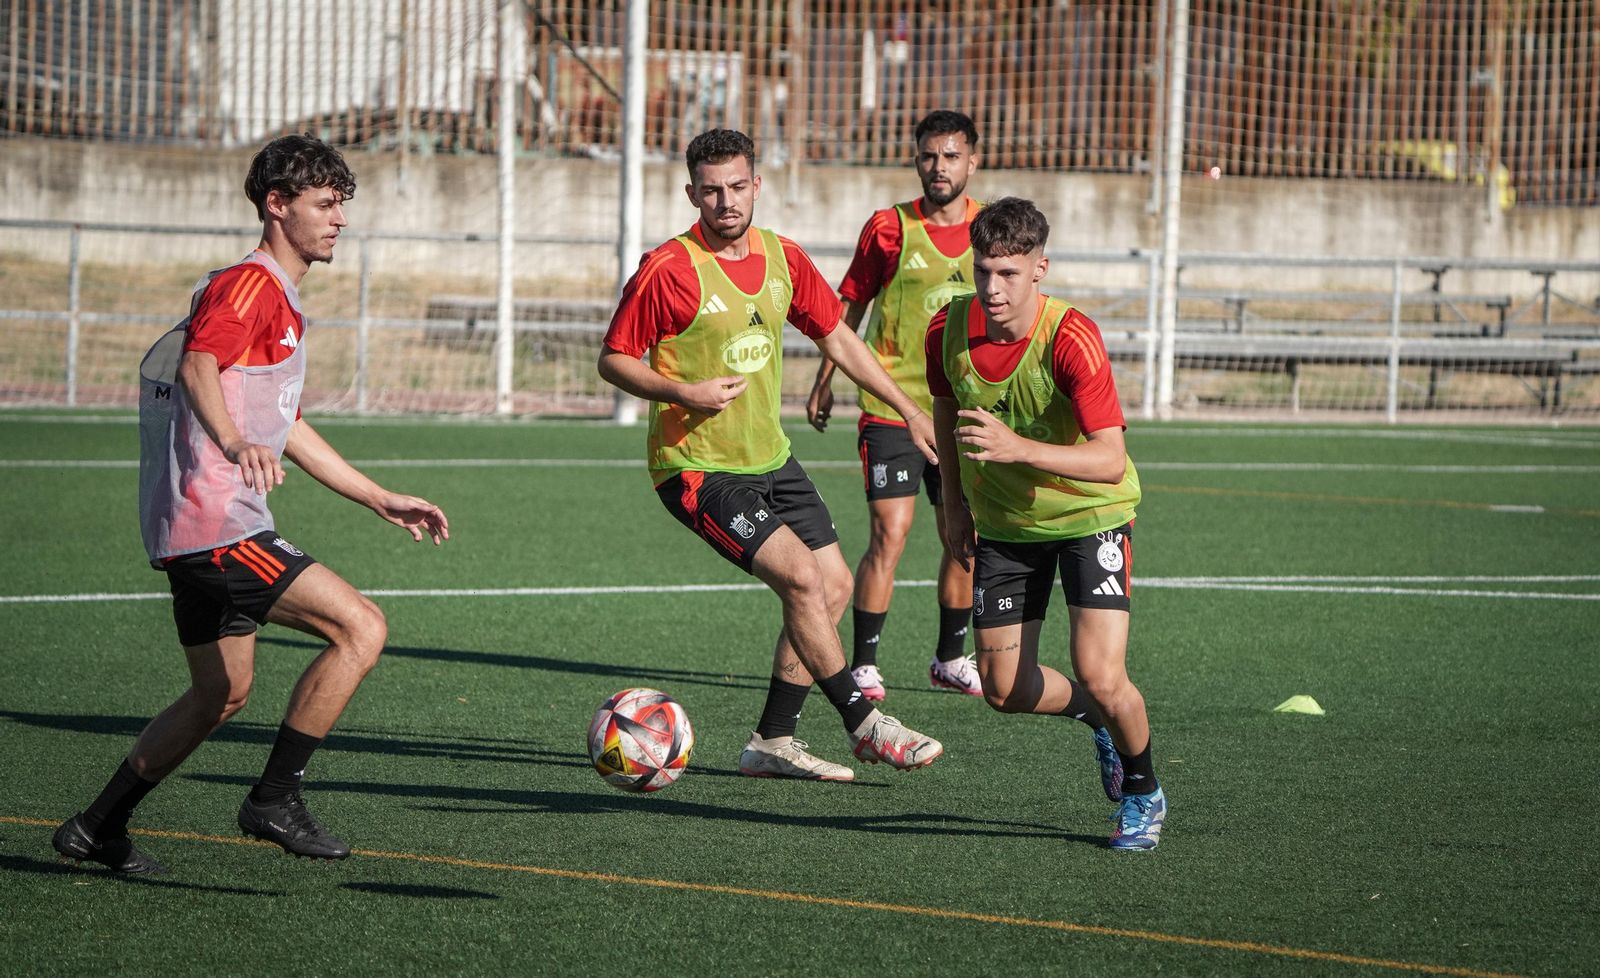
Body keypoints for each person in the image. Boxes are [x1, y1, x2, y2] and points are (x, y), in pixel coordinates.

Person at [52, 134, 450, 874]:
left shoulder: (279, 298)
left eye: (342, 205)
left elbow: (286, 424)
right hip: (215, 526)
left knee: (220, 694)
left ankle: (96, 825)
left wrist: (376, 497)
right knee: (360, 627)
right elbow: (202, 361)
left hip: (196, 529)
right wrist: (234, 445)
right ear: (276, 205)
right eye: (324, 204)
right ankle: (274, 797)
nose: (339, 220)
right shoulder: (249, 286)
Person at [598, 128, 944, 782]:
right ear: (691, 193)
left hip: (770, 458)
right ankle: (863, 722)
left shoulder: (784, 258)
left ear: (756, 185)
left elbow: (838, 337)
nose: (725, 201)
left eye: (736, 186)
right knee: (800, 577)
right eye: (710, 190)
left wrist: (908, 408)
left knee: (834, 583)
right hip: (697, 468)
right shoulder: (668, 270)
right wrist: (681, 390)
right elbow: (613, 359)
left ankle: (772, 741)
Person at [927, 196, 1166, 850]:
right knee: (1003, 690)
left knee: (1102, 672)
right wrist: (953, 508)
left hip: (1092, 519)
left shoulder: (1071, 336)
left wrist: (1019, 448)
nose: (993, 288)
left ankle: (1143, 790)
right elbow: (946, 420)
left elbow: (1111, 459)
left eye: (1009, 273)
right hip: (1005, 529)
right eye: (982, 272)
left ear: (1041, 269)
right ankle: (1096, 719)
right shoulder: (946, 330)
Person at [806, 109, 982, 702]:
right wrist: (825, 376)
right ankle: (864, 664)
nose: (939, 167)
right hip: (890, 406)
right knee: (891, 531)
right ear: (916, 159)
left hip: (963, 411)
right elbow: (846, 307)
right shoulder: (887, 228)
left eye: (951, 156)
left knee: (967, 535)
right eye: (929, 155)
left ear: (972, 162)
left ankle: (949, 658)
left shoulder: (992, 230)